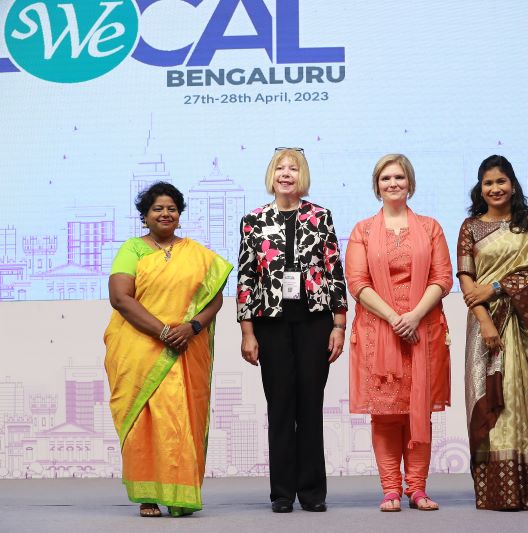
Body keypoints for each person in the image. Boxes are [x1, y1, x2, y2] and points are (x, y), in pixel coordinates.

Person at [104, 182, 232, 517]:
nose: (165, 213)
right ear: (144, 216)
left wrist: (191, 328)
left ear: (179, 214)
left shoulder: (196, 253)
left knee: (179, 420)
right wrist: (162, 331)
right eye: (157, 208)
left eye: (171, 208)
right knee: (145, 422)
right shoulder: (132, 249)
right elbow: (120, 298)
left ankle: (179, 493)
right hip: (140, 348)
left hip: (185, 346)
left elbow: (214, 296)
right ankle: (148, 495)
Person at [238, 148, 347, 513]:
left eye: (294, 168)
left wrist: (339, 324)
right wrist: (247, 332)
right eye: (281, 168)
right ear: (272, 175)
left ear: (303, 176)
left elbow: (334, 270)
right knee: (281, 407)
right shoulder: (253, 220)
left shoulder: (320, 216)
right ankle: (282, 493)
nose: (287, 174)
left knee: (310, 407)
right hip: (271, 324)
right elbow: (246, 278)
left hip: (315, 322)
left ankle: (313, 492)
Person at [346, 154, 452, 512]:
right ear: (377, 186)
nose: (393, 184)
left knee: (417, 410)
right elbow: (357, 282)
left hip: (423, 331)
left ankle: (418, 489)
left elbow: (442, 278)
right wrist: (395, 318)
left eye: (399, 178)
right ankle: (391, 489)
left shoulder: (431, 227)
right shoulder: (362, 231)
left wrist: (414, 316)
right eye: (386, 178)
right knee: (386, 414)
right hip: (380, 333)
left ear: (410, 183)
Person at [457, 155, 528, 511]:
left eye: (501, 181)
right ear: (480, 188)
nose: (495, 188)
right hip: (486, 326)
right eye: (488, 183)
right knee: (491, 403)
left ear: (513, 185)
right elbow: (467, 280)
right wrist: (485, 320)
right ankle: (494, 491)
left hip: (526, 325)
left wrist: (497, 285)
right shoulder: (470, 227)